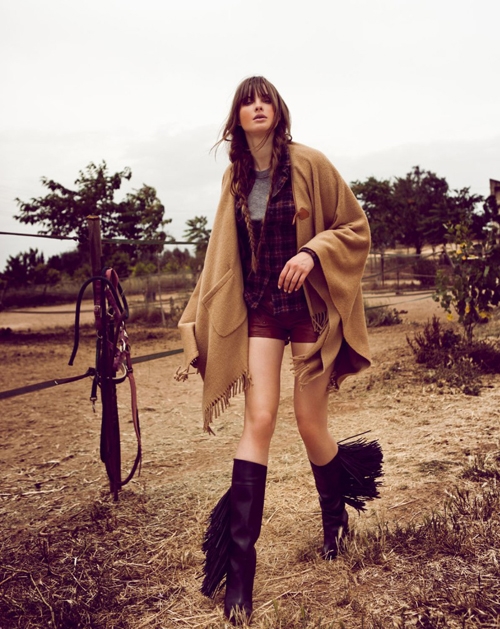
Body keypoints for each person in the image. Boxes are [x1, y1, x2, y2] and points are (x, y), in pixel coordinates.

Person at [176, 76, 382, 625]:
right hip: (262, 309)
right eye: (247, 102)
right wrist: (199, 316)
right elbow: (221, 254)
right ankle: (239, 577)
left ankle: (335, 522)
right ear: (237, 119)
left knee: (310, 422)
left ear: (278, 110)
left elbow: (355, 226)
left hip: (310, 309)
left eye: (264, 98)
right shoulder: (235, 178)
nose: (257, 106)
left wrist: (313, 252)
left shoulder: (311, 163)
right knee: (260, 419)